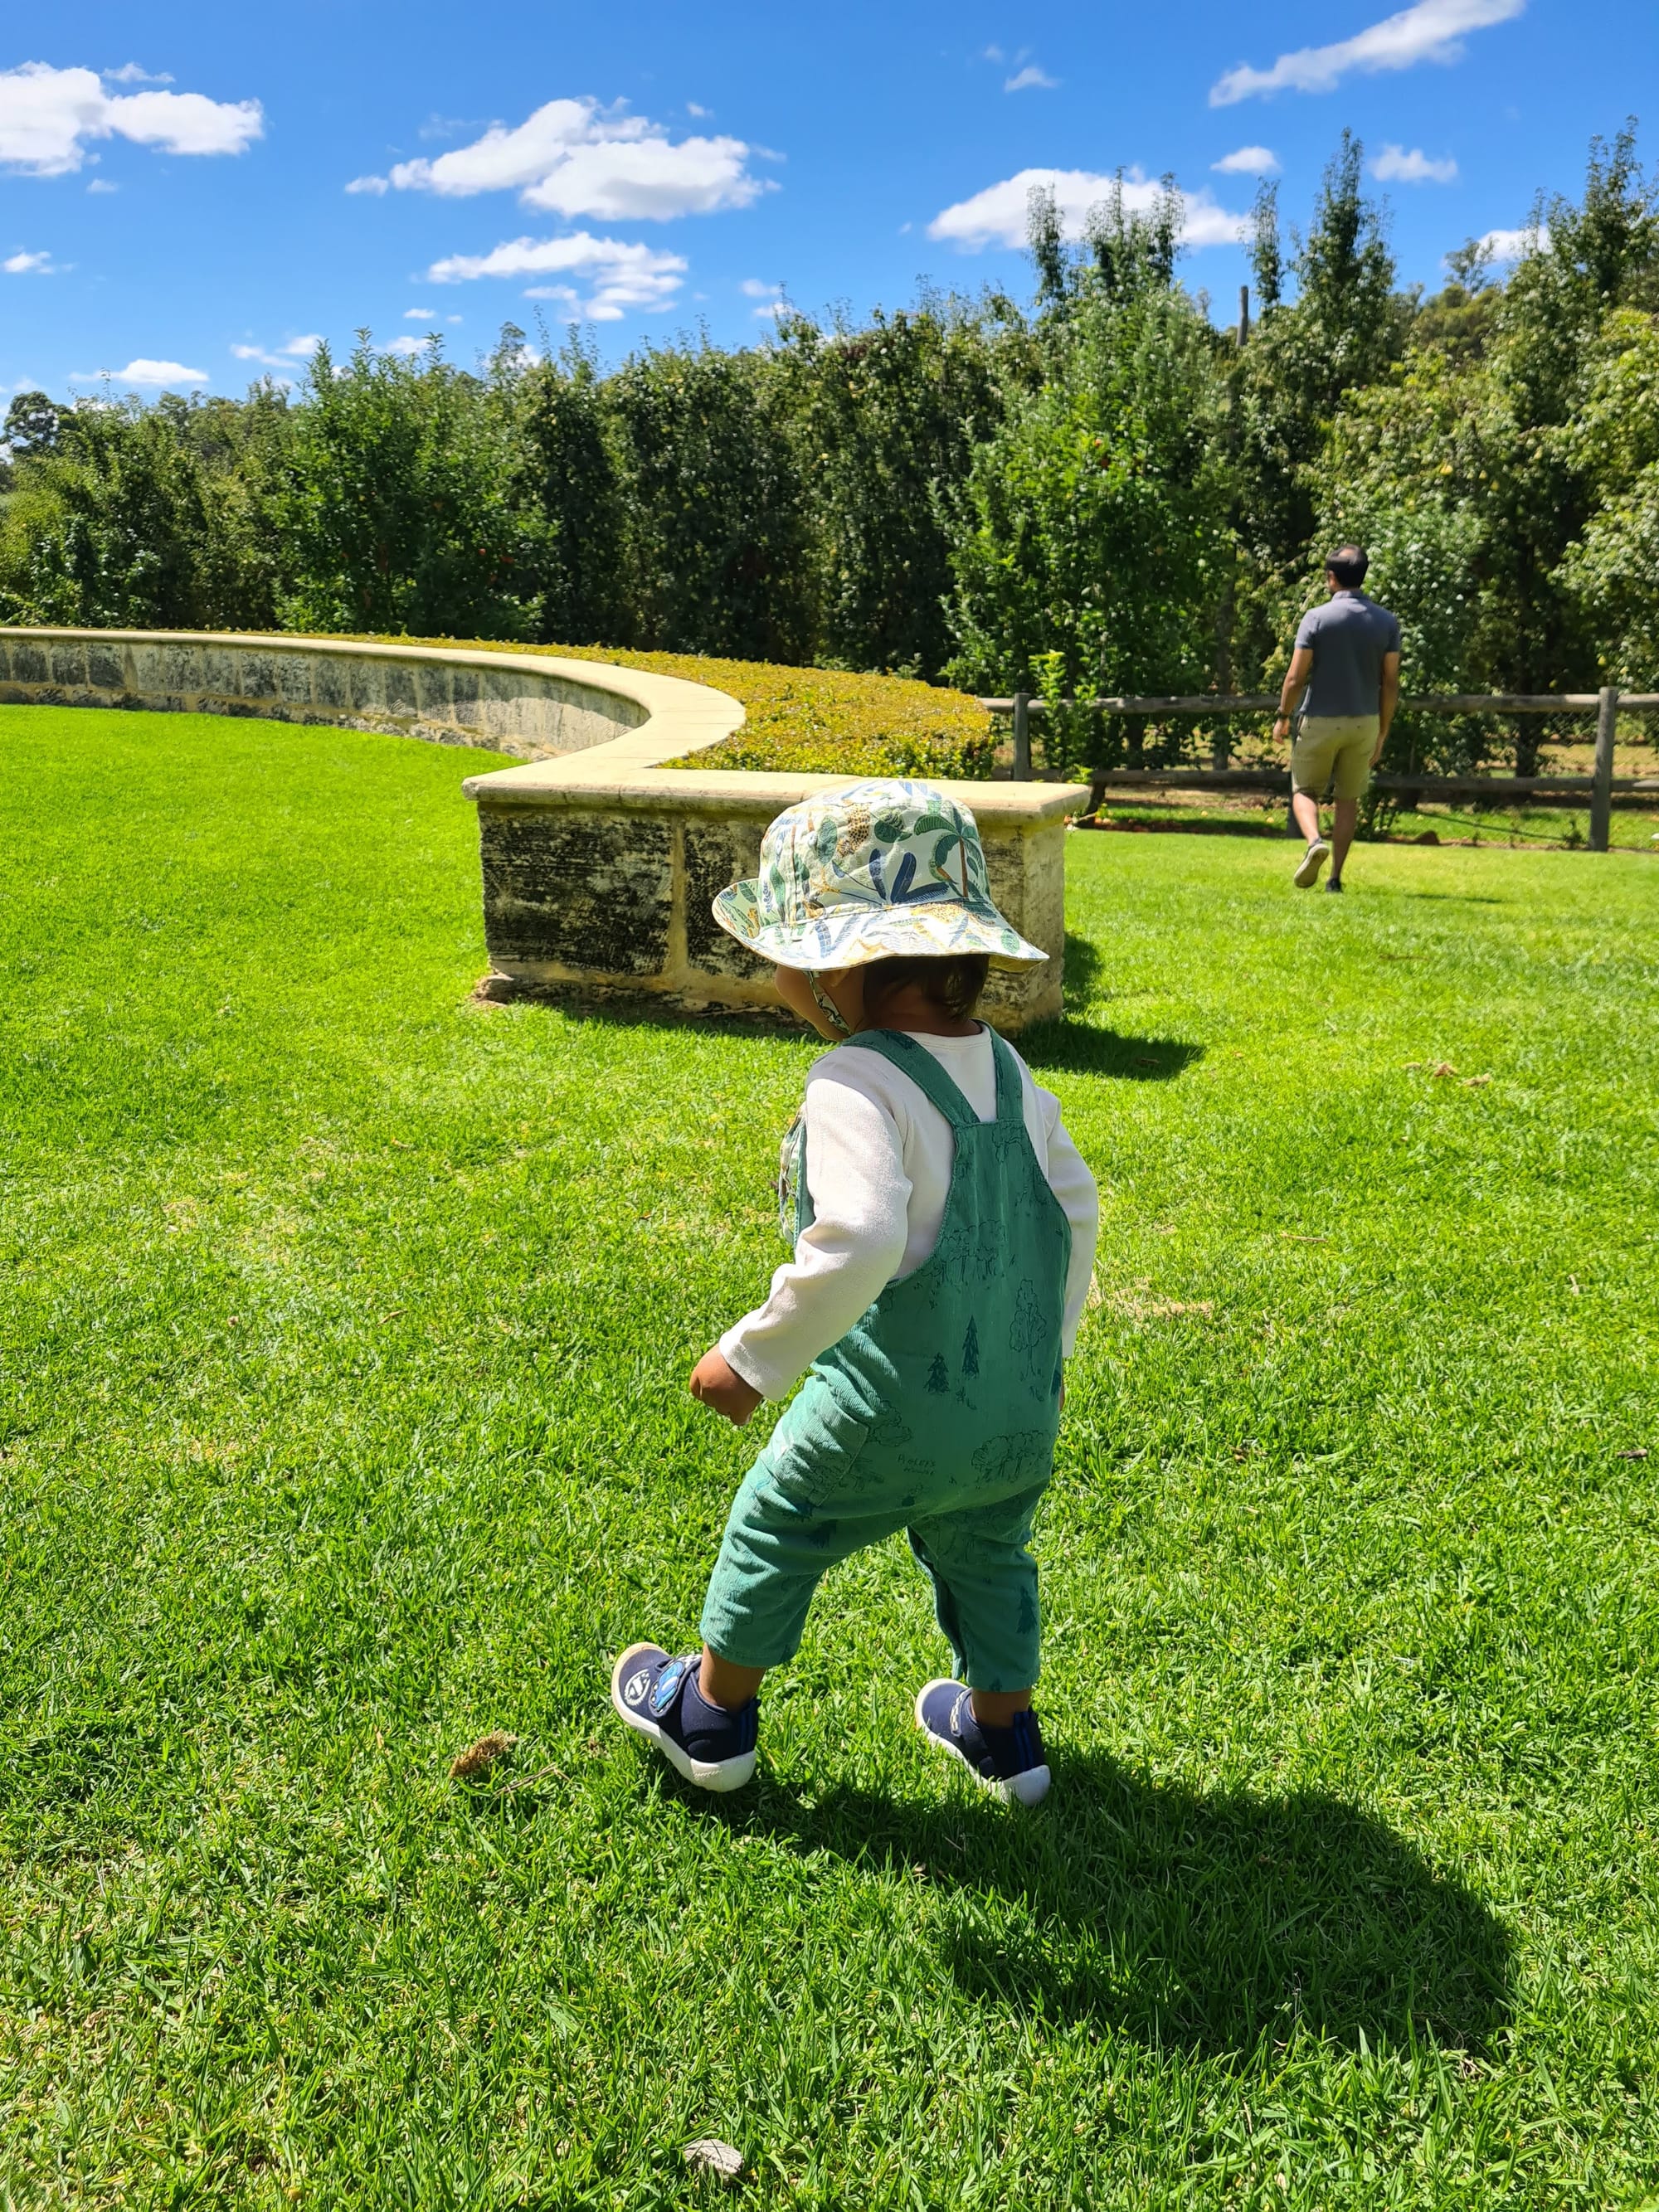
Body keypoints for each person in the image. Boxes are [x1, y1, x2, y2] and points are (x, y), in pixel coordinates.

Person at [611, 781, 1099, 1807]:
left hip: (886, 1410)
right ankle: (1006, 1740)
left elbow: (865, 1235)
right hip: (1017, 1408)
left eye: (786, 947)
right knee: (989, 1552)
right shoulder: (1007, 1069)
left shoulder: (854, 1078)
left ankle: (705, 1717)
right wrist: (1041, 1355)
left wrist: (753, 1358)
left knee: (776, 1525)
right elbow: (1075, 1213)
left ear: (841, 966)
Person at [1274, 544, 1402, 892]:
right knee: (1349, 799)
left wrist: (1283, 716)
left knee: (1304, 789)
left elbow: (1295, 677)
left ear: (1331, 578)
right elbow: (1390, 682)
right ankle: (1335, 879)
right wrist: (1382, 732)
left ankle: (1315, 841)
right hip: (1365, 721)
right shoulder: (1386, 621)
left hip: (1320, 719)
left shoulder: (1316, 618)